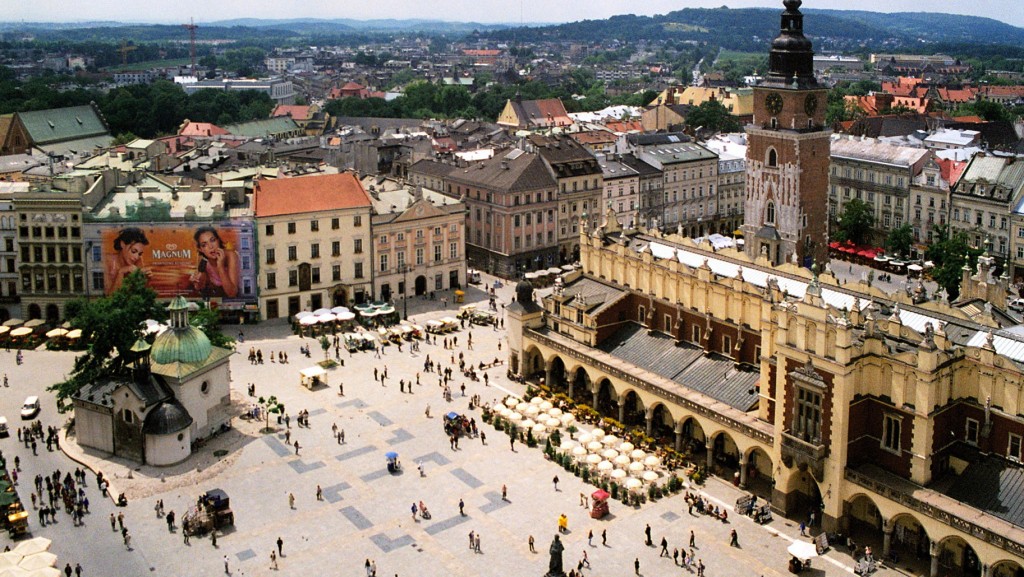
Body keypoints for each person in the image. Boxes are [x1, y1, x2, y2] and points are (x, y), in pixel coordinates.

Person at [189, 226, 240, 298]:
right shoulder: (203, 260)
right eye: (204, 245)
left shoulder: (231, 255)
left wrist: (220, 267)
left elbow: (232, 293)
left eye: (212, 240)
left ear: (218, 240)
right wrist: (196, 283)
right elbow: (200, 286)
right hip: (217, 297)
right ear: (200, 249)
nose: (210, 246)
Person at [108, 227, 152, 292]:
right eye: (133, 251)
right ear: (122, 244)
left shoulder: (138, 260)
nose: (136, 257)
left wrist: (146, 280)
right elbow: (111, 298)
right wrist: (121, 272)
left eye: (139, 254)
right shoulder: (109, 261)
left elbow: (140, 292)